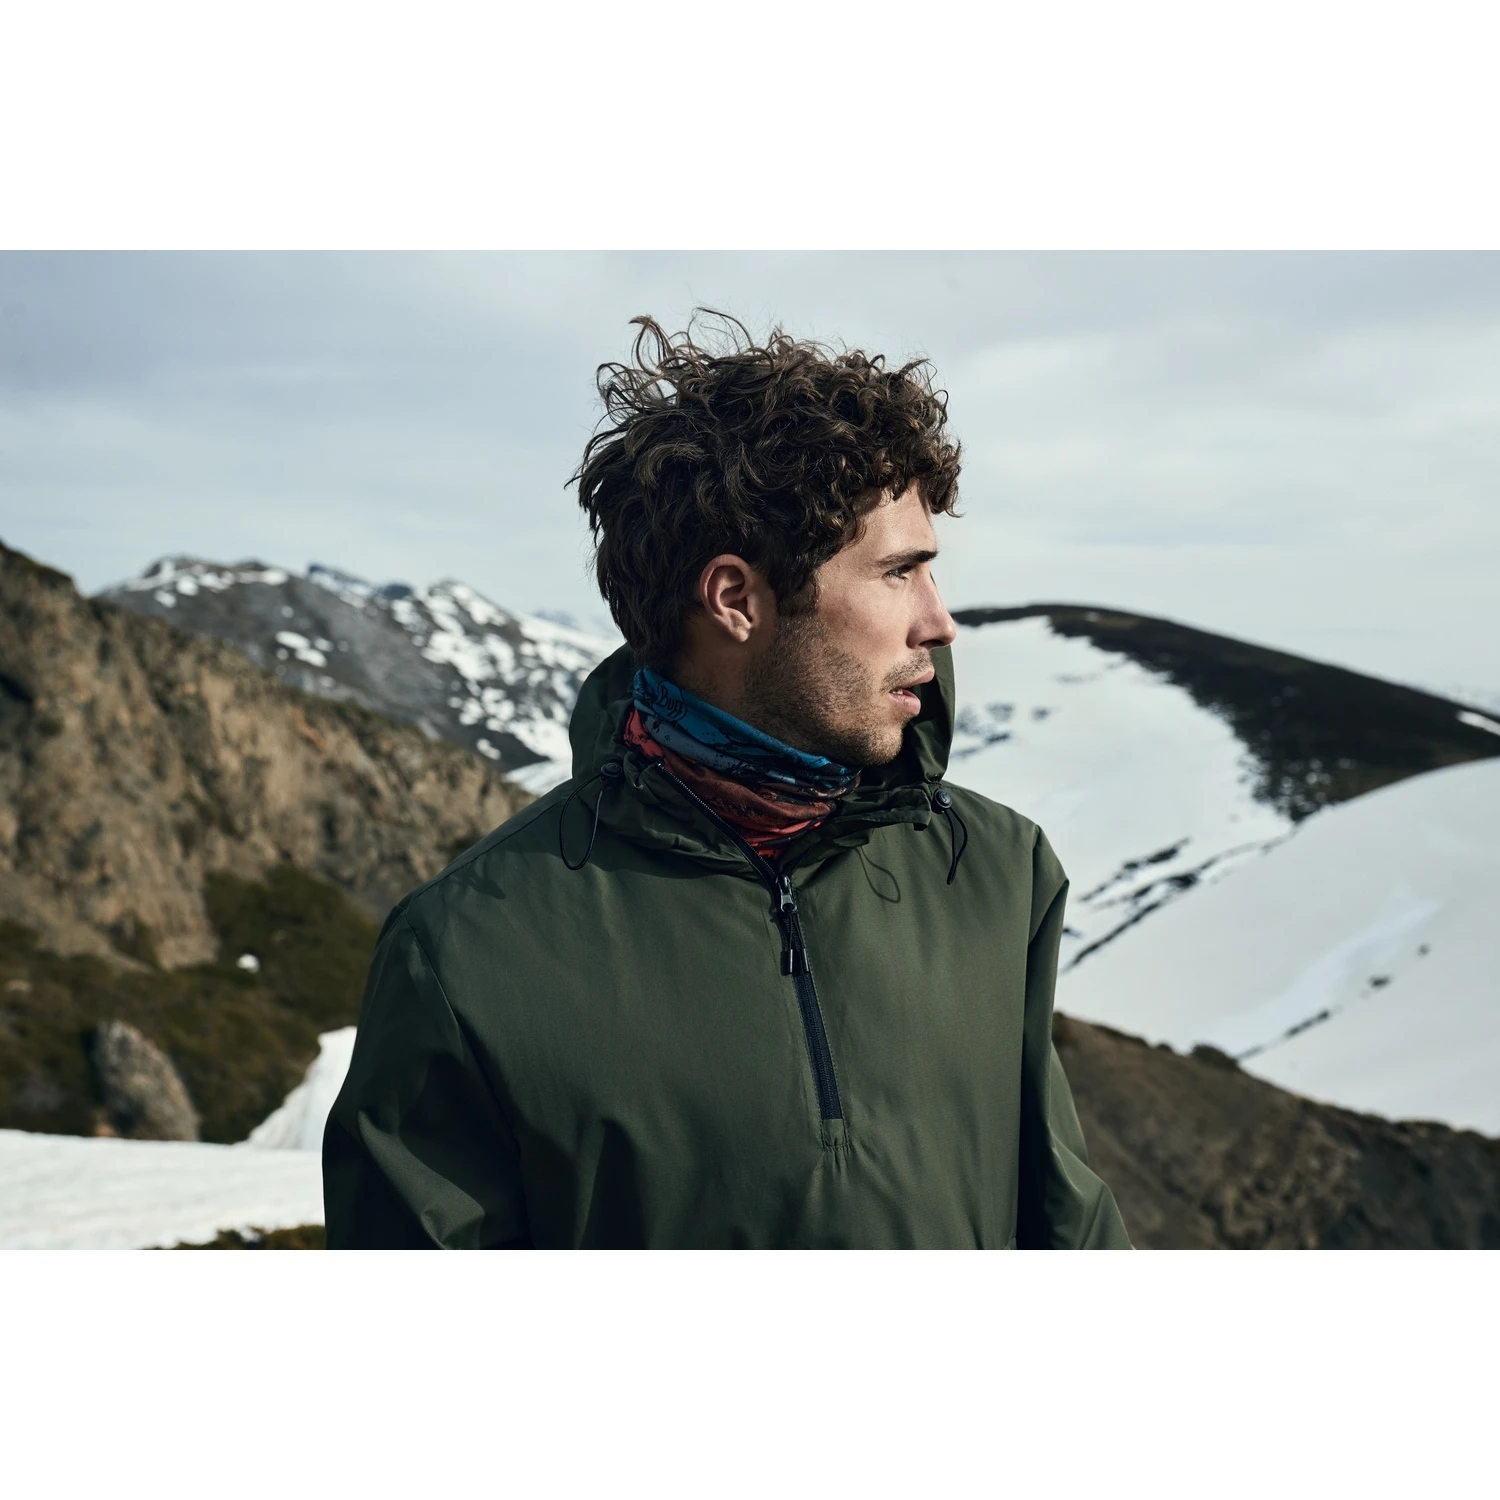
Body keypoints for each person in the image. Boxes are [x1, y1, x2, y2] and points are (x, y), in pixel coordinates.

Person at [323, 313, 1131, 1249]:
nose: (939, 623)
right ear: (736, 599)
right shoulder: (465, 953)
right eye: (898, 573)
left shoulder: (995, 873)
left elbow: (1069, 1230)